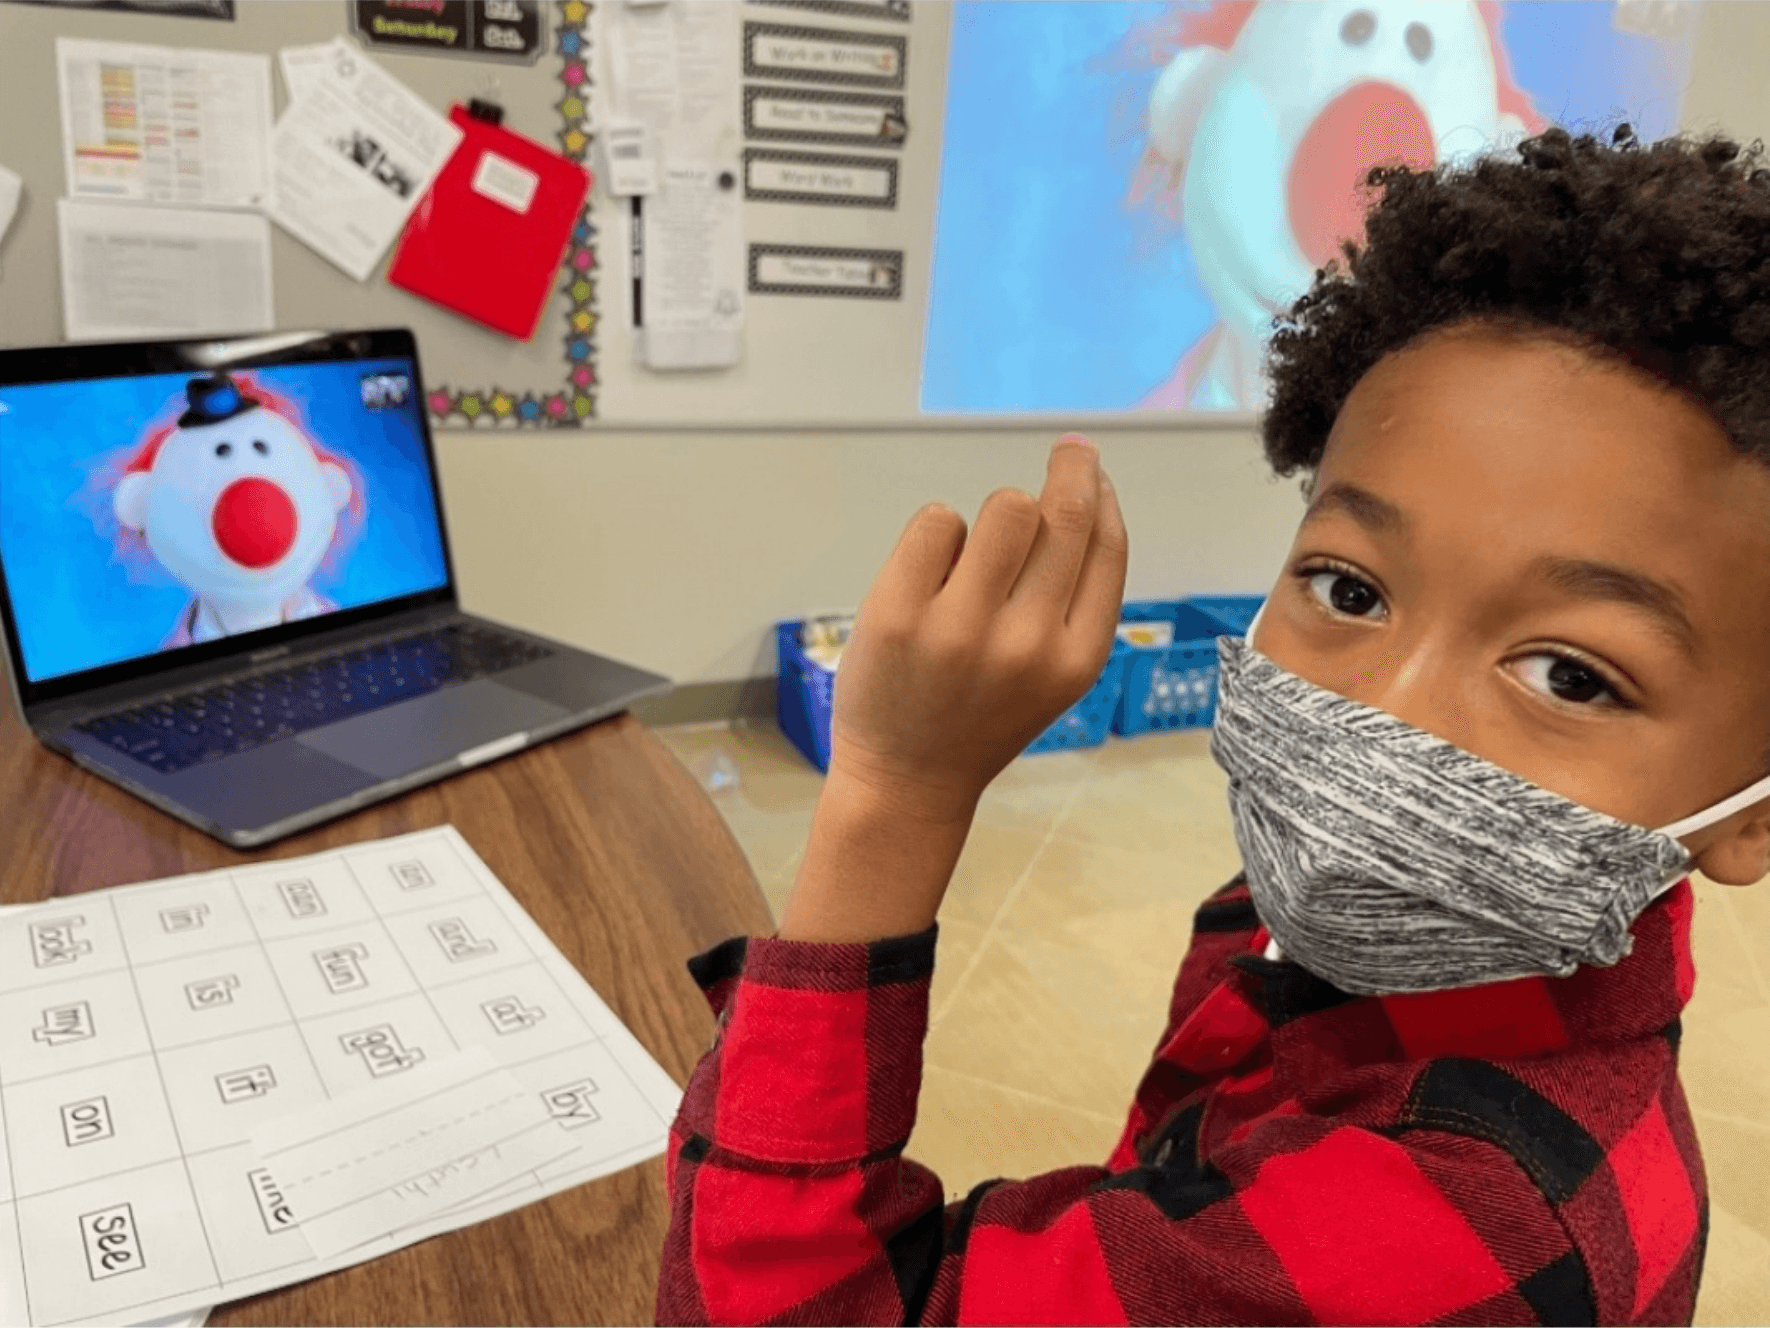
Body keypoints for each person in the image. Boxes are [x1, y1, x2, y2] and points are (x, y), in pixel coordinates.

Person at [657, 125, 1770, 1325]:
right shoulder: (1299, 918)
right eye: (1351, 589)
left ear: (1753, 814)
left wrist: (894, 793)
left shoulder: (1451, 1235)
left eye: (1570, 675)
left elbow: (794, 1305)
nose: (1384, 717)